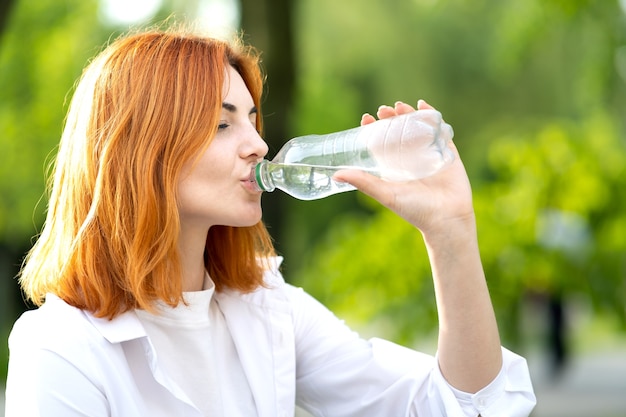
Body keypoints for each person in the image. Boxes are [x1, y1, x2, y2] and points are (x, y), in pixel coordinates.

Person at [4, 26, 536, 417]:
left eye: (253, 119)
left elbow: (454, 408)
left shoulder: (264, 307)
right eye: (220, 124)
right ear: (141, 151)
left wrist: (450, 235)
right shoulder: (62, 349)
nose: (259, 145)